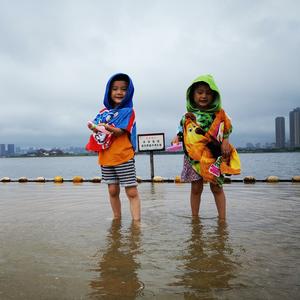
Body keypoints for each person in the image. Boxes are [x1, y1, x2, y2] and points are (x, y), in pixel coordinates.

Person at [172, 74, 240, 220]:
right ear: (192, 94)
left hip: (213, 155)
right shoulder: (188, 116)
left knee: (216, 187)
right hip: (193, 157)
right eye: (200, 92)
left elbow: (227, 128)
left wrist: (226, 141)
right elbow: (181, 130)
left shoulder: (219, 114)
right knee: (196, 188)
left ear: (214, 95)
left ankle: (222, 219)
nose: (204, 96)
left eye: (208, 93)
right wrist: (177, 138)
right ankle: (195, 218)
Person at [86, 73, 141, 221]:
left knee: (131, 191)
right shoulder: (103, 112)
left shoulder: (128, 111)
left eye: (124, 89)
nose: (119, 92)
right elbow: (96, 128)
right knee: (112, 190)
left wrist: (108, 128)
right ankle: (117, 218)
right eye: (115, 89)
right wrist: (94, 127)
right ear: (109, 92)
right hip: (106, 156)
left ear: (129, 92)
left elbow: (121, 131)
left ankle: (136, 222)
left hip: (123, 156)